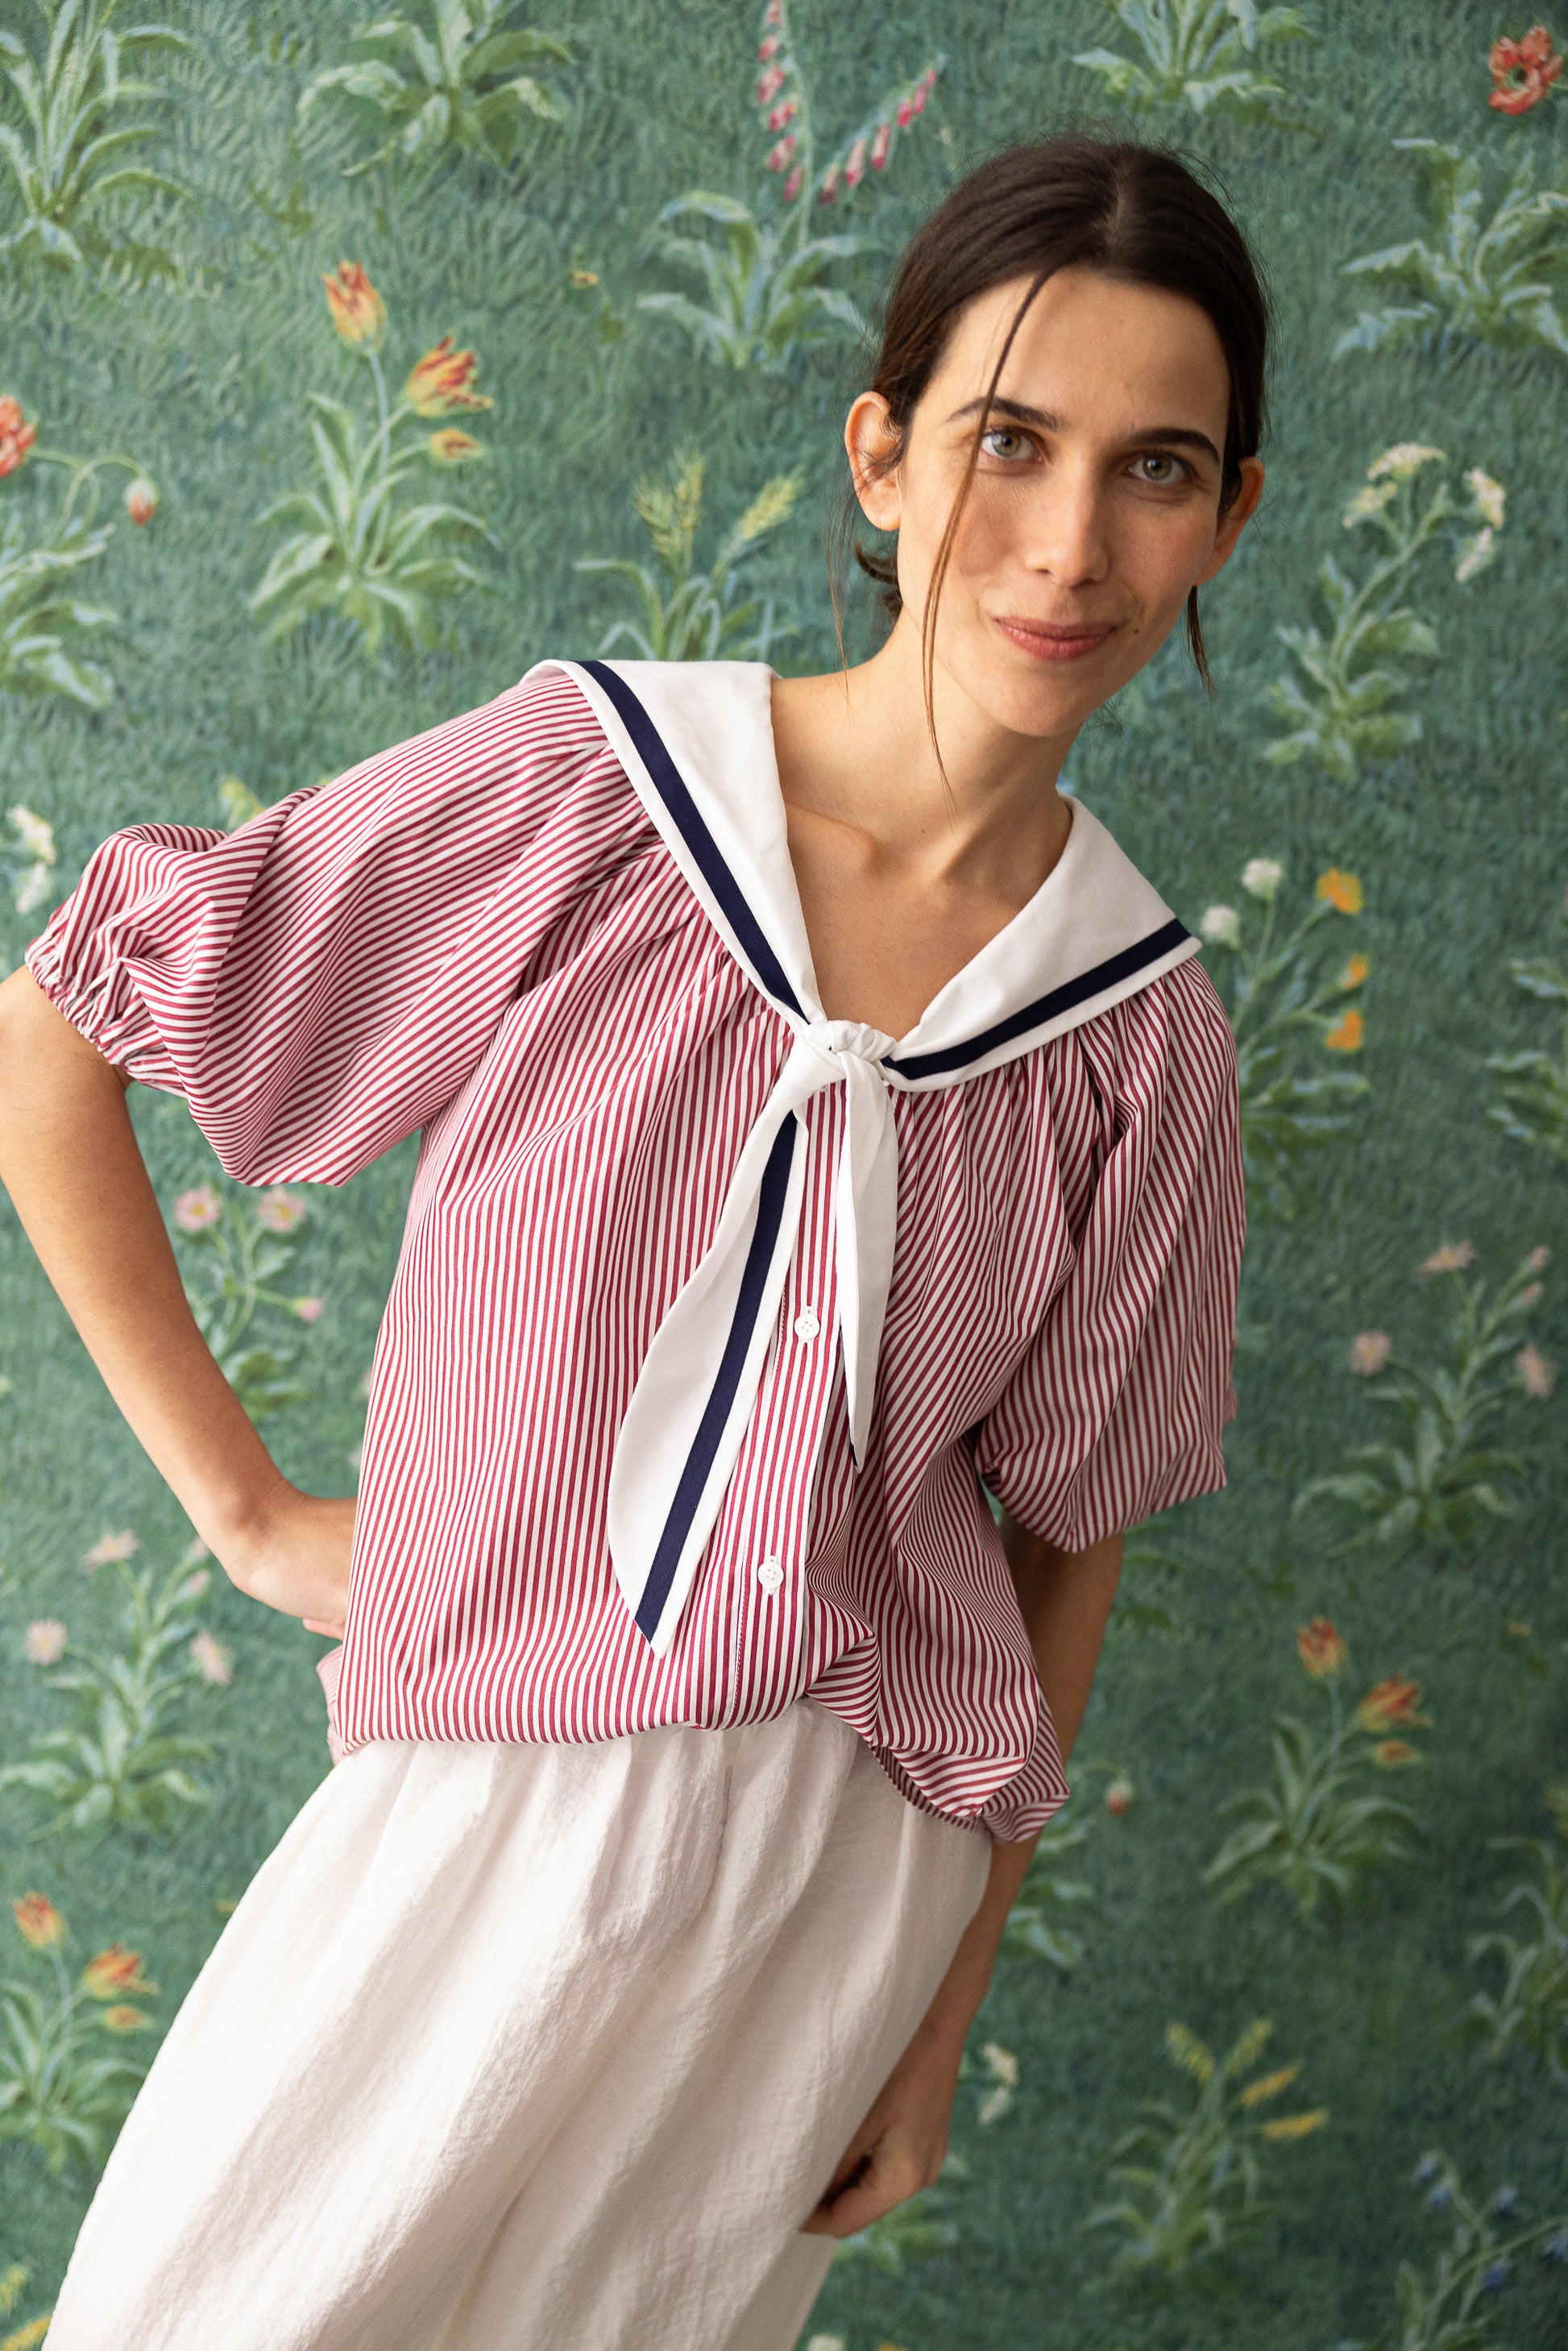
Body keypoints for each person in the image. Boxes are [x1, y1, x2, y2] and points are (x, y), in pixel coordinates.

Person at [0, 131, 1262, 2351]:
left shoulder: (1141, 1040)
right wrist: (248, 1514)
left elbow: (1065, 1543)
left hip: (831, 1890)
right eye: (1009, 440)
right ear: (882, 458)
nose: (1073, 544)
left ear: (1227, 518)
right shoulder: (594, 797)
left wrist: (942, 2008)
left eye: (1154, 469)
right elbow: (62, 1026)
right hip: (477, 1803)